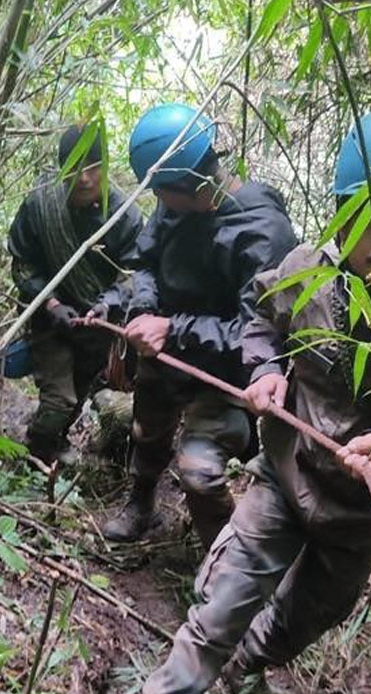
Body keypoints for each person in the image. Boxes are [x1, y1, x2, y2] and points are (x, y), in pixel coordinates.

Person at [142, 107, 371, 694]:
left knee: (291, 626)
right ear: (340, 212)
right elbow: (261, 317)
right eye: (365, 216)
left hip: (360, 520)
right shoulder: (305, 271)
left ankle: (237, 679)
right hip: (286, 473)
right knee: (219, 606)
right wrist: (266, 370)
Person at [89, 103, 296, 546]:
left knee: (199, 473)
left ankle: (226, 556)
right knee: (147, 432)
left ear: (189, 184)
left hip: (222, 375)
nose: (159, 203)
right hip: (164, 360)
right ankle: (141, 504)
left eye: (161, 193)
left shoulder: (263, 231)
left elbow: (257, 332)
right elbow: (144, 262)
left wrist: (173, 328)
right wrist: (143, 312)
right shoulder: (174, 206)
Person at [7, 124, 144, 464]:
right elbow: (22, 264)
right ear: (62, 167)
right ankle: (35, 452)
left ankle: (57, 440)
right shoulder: (41, 204)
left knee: (79, 393)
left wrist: (108, 304)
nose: (84, 178)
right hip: (48, 320)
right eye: (75, 167)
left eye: (93, 166)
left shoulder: (123, 214)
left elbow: (133, 273)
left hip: (97, 325)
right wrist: (51, 302)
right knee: (60, 400)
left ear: (106, 166)